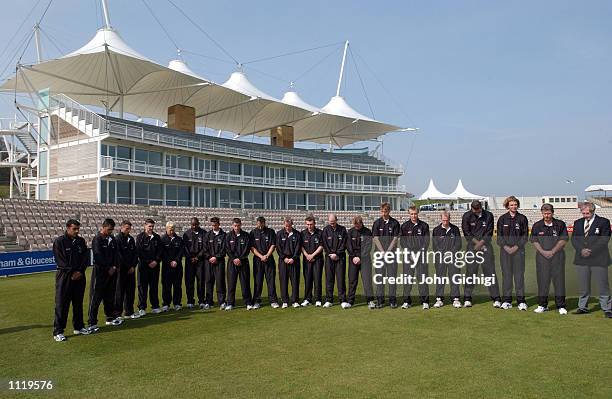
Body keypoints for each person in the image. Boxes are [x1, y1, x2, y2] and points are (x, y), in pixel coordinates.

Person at [571, 201, 611, 317]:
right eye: (583, 213)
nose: (585, 215)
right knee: (583, 285)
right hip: (581, 259)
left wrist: (591, 250)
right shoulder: (577, 223)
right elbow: (574, 239)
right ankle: (583, 307)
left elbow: (604, 240)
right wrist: (581, 250)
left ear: (593, 211)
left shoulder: (604, 222)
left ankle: (607, 308)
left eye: (587, 213)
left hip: (599, 258)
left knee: (602, 284)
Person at [52, 219, 90, 342]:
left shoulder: (81, 241)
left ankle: (79, 327)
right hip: (65, 277)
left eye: (78, 229)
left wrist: (79, 271)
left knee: (78, 303)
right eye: (74, 229)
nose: (77, 231)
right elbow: (60, 260)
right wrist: (72, 272)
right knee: (62, 304)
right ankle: (58, 331)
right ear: (68, 228)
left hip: (80, 276)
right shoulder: (60, 241)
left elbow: (85, 258)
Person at [461, 200, 501, 308]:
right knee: (471, 273)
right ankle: (467, 298)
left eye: (478, 209)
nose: (476, 211)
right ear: (471, 208)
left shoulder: (488, 215)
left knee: (490, 273)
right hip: (472, 247)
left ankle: (496, 298)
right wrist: (477, 244)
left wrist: (481, 244)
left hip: (486, 246)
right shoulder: (466, 216)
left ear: (481, 207)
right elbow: (466, 233)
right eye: (474, 209)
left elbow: (489, 232)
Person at [530, 204, 568, 315]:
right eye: (545, 213)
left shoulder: (560, 224)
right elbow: (534, 240)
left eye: (549, 213)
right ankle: (542, 305)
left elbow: (564, 240)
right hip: (542, 258)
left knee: (559, 282)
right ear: (542, 213)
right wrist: (543, 251)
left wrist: (553, 251)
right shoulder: (537, 225)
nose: (547, 215)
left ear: (552, 213)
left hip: (558, 257)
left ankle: (561, 305)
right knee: (543, 281)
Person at [88, 218, 121, 333]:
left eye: (112, 230)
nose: (110, 232)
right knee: (95, 298)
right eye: (109, 229)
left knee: (109, 297)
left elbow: (117, 254)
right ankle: (92, 323)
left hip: (112, 273)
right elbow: (98, 257)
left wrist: (115, 267)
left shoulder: (112, 239)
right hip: (100, 273)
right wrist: (108, 268)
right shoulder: (97, 239)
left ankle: (110, 318)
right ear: (103, 227)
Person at [496, 196, 529, 311]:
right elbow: (499, 237)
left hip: (518, 251)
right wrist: (506, 247)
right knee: (507, 277)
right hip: (505, 252)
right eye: (511, 205)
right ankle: (507, 301)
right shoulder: (502, 219)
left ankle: (521, 301)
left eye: (515, 204)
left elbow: (525, 236)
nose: (513, 206)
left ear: (517, 205)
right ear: (507, 206)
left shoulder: (522, 218)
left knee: (519, 277)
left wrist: (515, 247)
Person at [400, 206, 431, 310]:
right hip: (408, 257)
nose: (413, 216)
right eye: (411, 214)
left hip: (420, 257)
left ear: (418, 213)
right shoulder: (404, 226)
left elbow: (426, 242)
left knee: (422, 279)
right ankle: (406, 301)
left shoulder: (424, 226)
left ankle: (425, 301)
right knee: (408, 279)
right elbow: (402, 242)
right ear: (409, 214)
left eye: (415, 214)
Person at [372, 202, 401, 308]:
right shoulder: (377, 223)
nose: (384, 213)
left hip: (391, 255)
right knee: (380, 277)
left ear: (389, 211)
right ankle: (380, 300)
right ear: (380, 211)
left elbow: (395, 238)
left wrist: (388, 251)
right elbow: (375, 238)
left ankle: (392, 300)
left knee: (392, 277)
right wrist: (382, 252)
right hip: (380, 255)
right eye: (382, 211)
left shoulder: (395, 223)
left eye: (386, 211)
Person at [431, 210, 463, 309]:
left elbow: (458, 244)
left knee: (454, 278)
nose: (445, 222)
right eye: (444, 220)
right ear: (441, 219)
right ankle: (439, 299)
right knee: (440, 278)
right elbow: (435, 246)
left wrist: (450, 253)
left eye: (447, 220)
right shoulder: (436, 230)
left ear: (450, 219)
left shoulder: (455, 229)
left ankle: (456, 299)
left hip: (453, 258)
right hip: (440, 258)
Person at [224, 218, 253, 311]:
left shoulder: (246, 235)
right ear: (232, 225)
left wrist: (240, 258)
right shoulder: (228, 236)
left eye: (238, 225)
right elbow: (227, 249)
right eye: (235, 226)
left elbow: (247, 249)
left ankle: (248, 302)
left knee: (245, 283)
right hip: (232, 263)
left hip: (243, 262)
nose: (236, 227)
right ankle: (230, 303)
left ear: (241, 225)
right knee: (231, 283)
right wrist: (234, 259)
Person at [136, 218, 163, 316]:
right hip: (143, 267)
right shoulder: (140, 237)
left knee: (154, 287)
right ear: (145, 226)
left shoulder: (157, 237)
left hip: (155, 267)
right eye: (149, 226)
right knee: (142, 288)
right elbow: (139, 252)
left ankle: (155, 306)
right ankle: (142, 308)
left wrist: (156, 261)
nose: (151, 228)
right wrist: (148, 262)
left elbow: (160, 251)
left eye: (152, 226)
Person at [250, 216, 279, 309]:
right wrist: (261, 256)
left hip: (269, 259)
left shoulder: (270, 232)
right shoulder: (253, 233)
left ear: (264, 223)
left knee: (270, 281)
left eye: (262, 223)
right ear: (256, 223)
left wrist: (267, 255)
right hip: (258, 260)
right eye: (258, 223)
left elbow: (273, 245)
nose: (260, 225)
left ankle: (273, 301)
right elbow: (252, 247)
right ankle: (256, 301)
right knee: (258, 281)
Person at [322, 213, 349, 308]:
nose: (332, 224)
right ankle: (329, 300)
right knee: (329, 279)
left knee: (340, 279)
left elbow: (344, 243)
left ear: (336, 221)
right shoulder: (325, 230)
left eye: (333, 222)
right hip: (329, 258)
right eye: (330, 223)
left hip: (340, 258)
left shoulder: (342, 229)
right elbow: (324, 243)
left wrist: (337, 254)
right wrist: (331, 254)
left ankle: (343, 300)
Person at [347, 215, 374, 309]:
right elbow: (349, 246)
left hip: (365, 260)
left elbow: (368, 246)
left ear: (361, 223)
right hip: (353, 260)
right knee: (352, 281)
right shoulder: (350, 232)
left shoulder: (367, 232)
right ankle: (350, 301)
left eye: (358, 225)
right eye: (355, 225)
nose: (356, 227)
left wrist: (360, 257)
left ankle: (370, 300)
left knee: (367, 281)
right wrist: (354, 257)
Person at [115, 220, 139, 319]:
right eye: (126, 228)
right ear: (121, 228)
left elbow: (135, 254)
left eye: (129, 228)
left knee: (130, 291)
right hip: (121, 270)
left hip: (131, 270)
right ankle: (117, 313)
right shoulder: (117, 239)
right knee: (120, 292)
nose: (128, 230)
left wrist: (133, 266)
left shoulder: (131, 239)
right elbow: (119, 256)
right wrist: (128, 267)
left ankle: (129, 312)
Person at [276, 217, 302, 308]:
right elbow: (278, 248)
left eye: (289, 226)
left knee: (295, 281)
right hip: (283, 261)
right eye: (286, 226)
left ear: (292, 224)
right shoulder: (279, 234)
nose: (287, 227)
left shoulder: (297, 234)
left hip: (294, 261)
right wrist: (284, 258)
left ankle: (295, 300)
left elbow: (298, 248)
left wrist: (293, 258)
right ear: (284, 225)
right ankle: (285, 301)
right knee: (283, 281)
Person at [183, 217, 207, 309]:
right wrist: (190, 258)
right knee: (189, 282)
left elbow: (205, 248)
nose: (194, 226)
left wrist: (197, 257)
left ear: (198, 224)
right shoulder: (186, 234)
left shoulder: (204, 233)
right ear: (190, 224)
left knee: (200, 282)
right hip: (189, 262)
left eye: (196, 224)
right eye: (192, 224)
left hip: (200, 261)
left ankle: (201, 300)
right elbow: (185, 248)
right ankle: (190, 301)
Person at [204, 217, 227, 309]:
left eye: (215, 225)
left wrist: (216, 257)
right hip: (209, 262)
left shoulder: (224, 235)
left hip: (219, 262)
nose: (214, 227)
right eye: (212, 225)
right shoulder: (208, 235)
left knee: (220, 282)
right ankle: (209, 302)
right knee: (209, 282)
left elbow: (224, 249)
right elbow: (205, 249)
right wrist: (210, 257)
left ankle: (222, 302)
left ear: (219, 224)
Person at [301, 215, 324, 307]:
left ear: (314, 223)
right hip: (307, 260)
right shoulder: (302, 233)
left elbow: (322, 246)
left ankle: (318, 299)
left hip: (317, 259)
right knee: (308, 279)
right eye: (308, 224)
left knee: (317, 279)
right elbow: (301, 246)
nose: (309, 226)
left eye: (311, 224)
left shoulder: (320, 233)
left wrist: (313, 255)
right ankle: (307, 299)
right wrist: (307, 255)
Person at [161, 222, 184, 312]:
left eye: (173, 229)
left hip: (177, 267)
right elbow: (162, 253)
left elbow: (181, 252)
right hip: (166, 267)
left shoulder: (179, 239)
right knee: (166, 286)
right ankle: (166, 304)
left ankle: (177, 303)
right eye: (170, 229)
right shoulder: (162, 239)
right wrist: (170, 261)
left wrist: (176, 261)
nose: (172, 231)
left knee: (177, 286)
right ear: (166, 228)